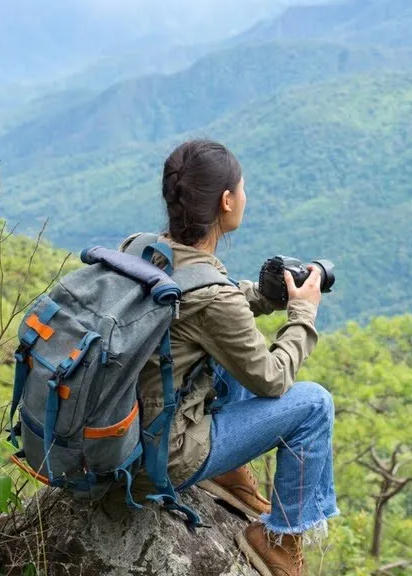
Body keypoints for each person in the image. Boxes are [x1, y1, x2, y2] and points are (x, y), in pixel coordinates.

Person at [121, 139, 338, 576]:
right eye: (242, 189)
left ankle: (229, 472)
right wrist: (303, 314)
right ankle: (277, 538)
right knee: (314, 406)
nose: (244, 197)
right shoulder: (214, 298)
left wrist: (261, 298)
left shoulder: (140, 249)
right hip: (165, 454)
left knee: (231, 346)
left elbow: (196, 310)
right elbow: (272, 380)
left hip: (125, 431)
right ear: (226, 201)